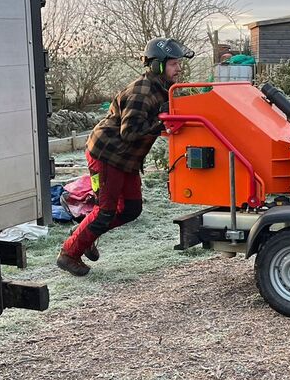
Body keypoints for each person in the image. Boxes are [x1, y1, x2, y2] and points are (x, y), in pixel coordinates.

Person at [56, 38, 193, 276]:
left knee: (131, 209)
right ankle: (69, 253)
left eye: (178, 63)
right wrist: (160, 122)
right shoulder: (142, 92)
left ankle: (85, 235)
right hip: (108, 154)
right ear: (157, 65)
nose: (178, 69)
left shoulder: (161, 90)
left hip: (126, 159)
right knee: (106, 209)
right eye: (173, 64)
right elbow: (129, 132)